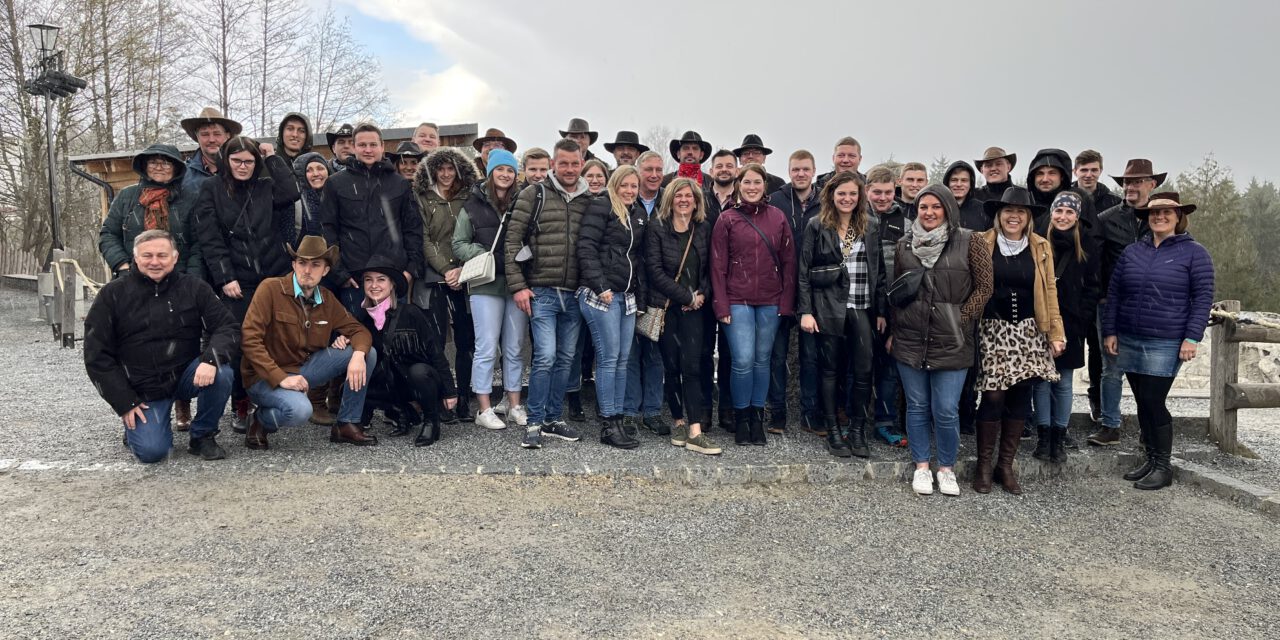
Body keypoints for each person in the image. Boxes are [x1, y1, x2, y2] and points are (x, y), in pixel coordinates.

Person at [84, 230, 238, 463]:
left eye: (162, 255)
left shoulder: (194, 288)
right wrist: (124, 402)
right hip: (142, 388)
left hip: (186, 375)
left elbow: (228, 327)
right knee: (153, 453)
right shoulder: (112, 294)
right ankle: (138, 429)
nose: (154, 262)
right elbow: (97, 356)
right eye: (147, 255)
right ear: (135, 257)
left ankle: (203, 435)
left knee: (222, 372)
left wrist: (209, 360)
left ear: (175, 258)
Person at [1104, 192, 1214, 490]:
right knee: (1142, 401)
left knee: (1154, 400)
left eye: (1167, 212)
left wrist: (1192, 337)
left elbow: (1202, 298)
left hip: (1166, 340)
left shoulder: (1195, 253)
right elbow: (1115, 294)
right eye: (1154, 213)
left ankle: (1163, 466)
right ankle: (1151, 459)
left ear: (1178, 216)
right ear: (1147, 218)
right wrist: (1110, 331)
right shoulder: (1132, 252)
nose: (1160, 217)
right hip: (1130, 334)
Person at [891, 184, 993, 497]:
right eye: (924, 207)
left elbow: (984, 287)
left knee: (947, 409)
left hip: (952, 339)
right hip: (911, 337)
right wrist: (895, 330)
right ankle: (922, 466)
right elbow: (898, 291)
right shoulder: (904, 245)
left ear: (948, 208)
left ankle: (946, 468)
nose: (930, 212)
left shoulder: (970, 240)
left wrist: (959, 320)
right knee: (918, 406)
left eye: (936, 206)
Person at [194, 136, 299, 434]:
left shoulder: (265, 186)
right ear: (226, 160)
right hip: (236, 280)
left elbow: (291, 191)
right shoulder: (211, 189)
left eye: (250, 161)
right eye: (237, 161)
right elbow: (210, 237)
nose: (243, 167)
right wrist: (225, 276)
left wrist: (272, 157)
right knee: (239, 344)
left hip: (270, 274)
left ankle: (266, 397)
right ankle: (240, 401)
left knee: (271, 341)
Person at [240, 235, 378, 448]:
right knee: (300, 411)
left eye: (315, 265)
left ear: (325, 271)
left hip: (303, 370)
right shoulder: (270, 289)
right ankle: (260, 420)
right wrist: (280, 378)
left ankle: (347, 424)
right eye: (302, 263)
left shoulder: (327, 298)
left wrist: (358, 354)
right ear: (293, 265)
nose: (307, 270)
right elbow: (249, 339)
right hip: (264, 376)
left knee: (368, 352)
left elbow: (359, 331)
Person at [972, 187, 1066, 496]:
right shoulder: (981, 242)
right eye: (1008, 211)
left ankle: (1005, 465)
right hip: (992, 329)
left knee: (1021, 396)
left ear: (1028, 218)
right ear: (999, 215)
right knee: (994, 396)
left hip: (1028, 330)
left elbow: (1049, 290)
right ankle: (984, 465)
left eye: (1021, 212)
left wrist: (1055, 332)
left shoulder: (1040, 246)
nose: (1014, 216)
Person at [504, 139, 592, 449]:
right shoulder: (534, 193)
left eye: (575, 163)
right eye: (563, 163)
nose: (569, 169)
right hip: (541, 290)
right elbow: (512, 242)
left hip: (575, 293)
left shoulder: (589, 198)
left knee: (567, 359)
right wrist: (518, 285)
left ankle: (554, 419)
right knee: (546, 356)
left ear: (582, 163)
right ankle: (535, 421)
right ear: (554, 164)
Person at [797, 171, 887, 458]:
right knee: (830, 370)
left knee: (863, 370)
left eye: (852, 194)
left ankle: (858, 430)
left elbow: (880, 271)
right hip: (828, 308)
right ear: (831, 196)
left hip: (861, 306)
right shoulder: (817, 225)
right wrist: (806, 311)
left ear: (859, 196)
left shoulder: (871, 226)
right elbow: (803, 271)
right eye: (841, 194)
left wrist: (882, 311)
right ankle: (833, 430)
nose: (847, 199)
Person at [711, 163, 797, 445]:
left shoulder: (778, 217)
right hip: (738, 299)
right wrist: (721, 305)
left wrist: (786, 302)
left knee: (763, 361)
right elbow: (717, 265)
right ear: (739, 185)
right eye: (746, 182)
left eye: (757, 182)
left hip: (771, 300)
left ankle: (757, 416)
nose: (751, 187)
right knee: (743, 360)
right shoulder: (727, 219)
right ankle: (742, 417)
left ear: (764, 185)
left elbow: (788, 263)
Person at [1088, 159, 1165, 446]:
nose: (1130, 187)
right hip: (1111, 302)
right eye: (1127, 182)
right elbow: (1095, 260)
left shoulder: (1160, 217)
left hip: (1151, 304)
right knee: (1112, 366)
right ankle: (1110, 425)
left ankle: (1149, 425)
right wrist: (1099, 294)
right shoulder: (1107, 218)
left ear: (1152, 184)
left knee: (1147, 368)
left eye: (1137, 181)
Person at [452, 149, 530, 432]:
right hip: (485, 283)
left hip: (516, 283)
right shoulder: (472, 205)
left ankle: (513, 404)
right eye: (500, 169)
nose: (506, 175)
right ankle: (484, 408)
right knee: (486, 347)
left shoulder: (523, 201)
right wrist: (486, 255)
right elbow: (458, 243)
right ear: (490, 171)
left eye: (510, 170)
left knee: (514, 348)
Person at [646, 178, 720, 455]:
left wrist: (701, 294)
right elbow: (655, 271)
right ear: (670, 199)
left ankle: (695, 430)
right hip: (667, 309)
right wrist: (685, 296)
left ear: (697, 200)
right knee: (672, 367)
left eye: (689, 195)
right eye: (679, 195)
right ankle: (677, 422)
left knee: (693, 367)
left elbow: (712, 268)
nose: (684, 200)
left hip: (695, 311)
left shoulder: (703, 228)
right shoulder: (657, 228)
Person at [353, 254, 458, 447]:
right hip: (391, 383)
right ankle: (400, 411)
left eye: (381, 279)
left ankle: (431, 421)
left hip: (420, 381)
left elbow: (435, 350)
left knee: (418, 371)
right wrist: (341, 340)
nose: (374, 285)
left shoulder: (411, 312)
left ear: (392, 284)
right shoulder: (362, 318)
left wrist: (450, 391)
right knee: (357, 369)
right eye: (369, 280)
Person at [320, 123, 424, 316]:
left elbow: (412, 229)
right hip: (354, 278)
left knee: (395, 339)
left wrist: (410, 270)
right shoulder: (335, 184)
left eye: (373, 144)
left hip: (393, 276)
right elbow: (327, 230)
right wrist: (339, 273)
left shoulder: (399, 184)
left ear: (382, 147)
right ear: (354, 147)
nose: (368, 150)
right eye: (362, 145)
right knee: (358, 339)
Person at [577, 165, 647, 449]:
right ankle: (608, 423)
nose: (630, 190)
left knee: (622, 359)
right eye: (625, 185)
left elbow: (637, 257)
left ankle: (617, 418)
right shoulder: (601, 206)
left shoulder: (638, 213)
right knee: (608, 359)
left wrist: (639, 296)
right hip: (602, 294)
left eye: (634, 186)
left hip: (626, 296)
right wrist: (599, 284)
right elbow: (586, 247)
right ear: (615, 184)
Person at [414, 146, 481, 424]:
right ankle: (442, 397)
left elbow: (476, 232)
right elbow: (424, 238)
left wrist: (462, 269)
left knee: (466, 342)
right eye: (440, 169)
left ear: (459, 170)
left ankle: (464, 398)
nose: (445, 174)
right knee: (437, 341)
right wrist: (445, 269)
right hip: (436, 277)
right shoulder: (422, 197)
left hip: (468, 275)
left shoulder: (469, 196)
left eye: (450, 168)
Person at [1032, 192, 1100, 464]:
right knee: (1040, 381)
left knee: (1063, 382)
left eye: (1069, 213)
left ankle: (1059, 435)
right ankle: (1043, 435)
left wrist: (1081, 323)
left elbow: (1093, 288)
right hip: (1040, 322)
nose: (1062, 217)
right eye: (1058, 211)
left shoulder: (1087, 246)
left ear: (1077, 216)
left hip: (1071, 323)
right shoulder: (1037, 242)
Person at [768, 150, 822, 433]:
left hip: (813, 289)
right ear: (789, 171)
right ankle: (777, 411)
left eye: (805, 169)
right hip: (780, 287)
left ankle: (811, 412)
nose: (800, 174)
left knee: (811, 356)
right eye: (795, 169)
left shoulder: (826, 200)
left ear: (813, 171)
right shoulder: (776, 199)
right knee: (776, 354)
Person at [100, 144, 204, 281]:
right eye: (153, 162)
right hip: (133, 277)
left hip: (179, 278)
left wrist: (191, 277)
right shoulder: (127, 196)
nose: (159, 167)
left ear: (176, 168)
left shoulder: (190, 198)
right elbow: (109, 234)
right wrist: (123, 266)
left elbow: (200, 241)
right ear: (144, 166)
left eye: (166, 163)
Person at [865, 167, 909, 446]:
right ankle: (854, 420)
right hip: (861, 302)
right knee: (856, 366)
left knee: (890, 368)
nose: (882, 197)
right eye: (876, 192)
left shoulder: (905, 218)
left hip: (894, 304)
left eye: (888, 192)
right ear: (867, 189)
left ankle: (885, 421)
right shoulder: (855, 215)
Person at [179, 107, 241, 191]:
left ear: (228, 135)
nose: (211, 140)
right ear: (197, 137)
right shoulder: (182, 174)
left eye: (217, 134)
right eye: (205, 134)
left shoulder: (243, 168)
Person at [290, 151, 329, 246]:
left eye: (320, 168)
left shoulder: (338, 196)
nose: (316, 174)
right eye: (309, 170)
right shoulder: (294, 200)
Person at [944, 160, 988, 232]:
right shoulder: (939, 208)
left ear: (971, 184)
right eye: (954, 180)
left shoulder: (983, 210)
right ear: (947, 183)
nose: (959, 184)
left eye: (964, 180)